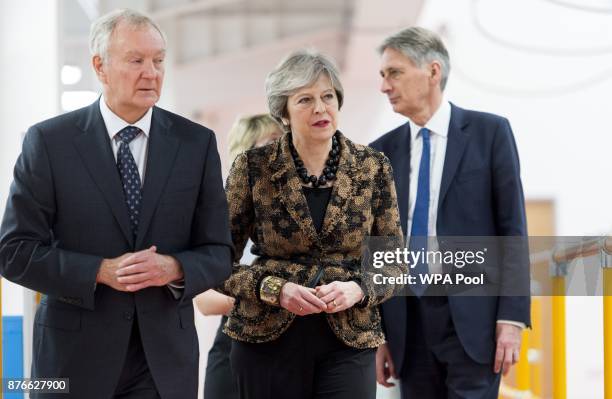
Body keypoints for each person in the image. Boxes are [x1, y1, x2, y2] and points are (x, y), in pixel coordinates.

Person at [0, 9, 232, 399]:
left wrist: (174, 267)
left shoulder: (197, 144)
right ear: (100, 66)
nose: (151, 72)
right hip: (72, 361)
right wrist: (99, 271)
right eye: (136, 60)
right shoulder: (50, 143)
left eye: (158, 61)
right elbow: (14, 252)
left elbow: (218, 252)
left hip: (162, 364)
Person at [218, 49, 403, 399]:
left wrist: (359, 287)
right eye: (305, 99)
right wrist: (275, 289)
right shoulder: (253, 167)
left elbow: (394, 263)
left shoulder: (373, 167)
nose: (320, 108)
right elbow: (215, 260)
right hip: (265, 339)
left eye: (328, 96)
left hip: (350, 339)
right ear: (283, 112)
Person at [370, 27, 531, 399]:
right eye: (382, 75)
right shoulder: (379, 153)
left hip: (474, 322)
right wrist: (378, 334)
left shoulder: (490, 134)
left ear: (433, 71)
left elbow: (512, 230)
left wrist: (512, 318)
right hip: (408, 324)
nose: (384, 86)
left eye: (394, 73)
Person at [196, 114, 282, 399]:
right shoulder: (222, 212)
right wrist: (269, 297)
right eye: (271, 143)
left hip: (290, 353)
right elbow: (205, 300)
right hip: (233, 349)